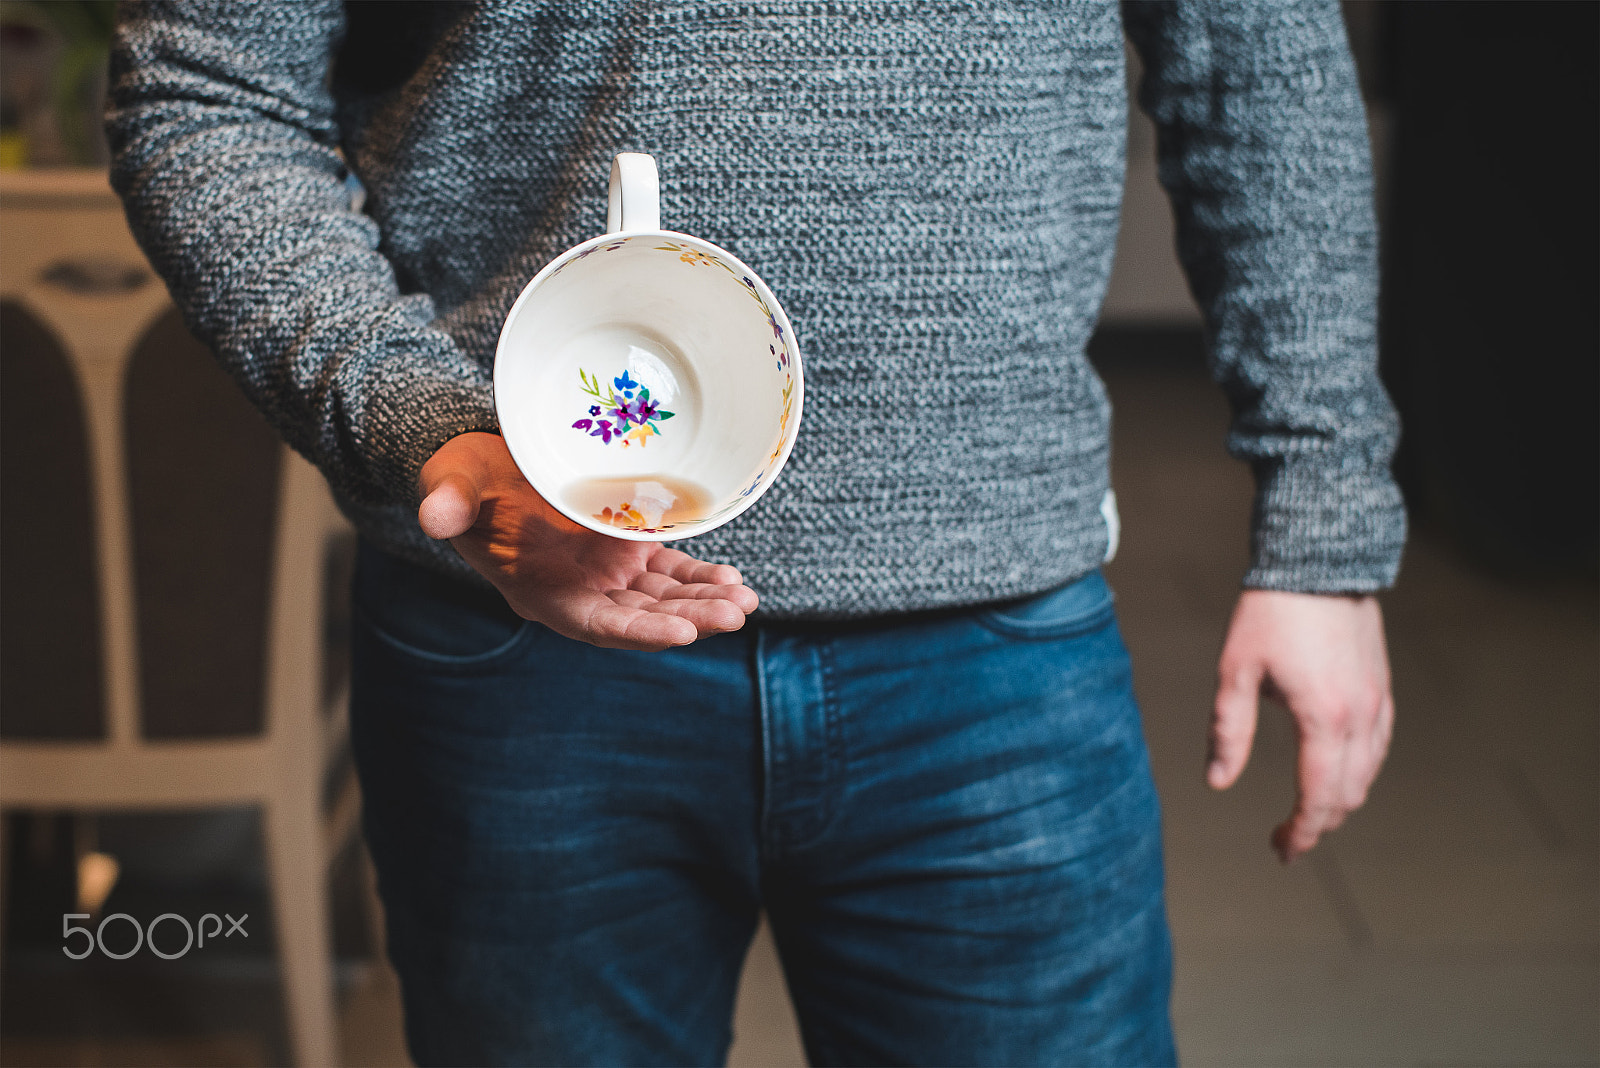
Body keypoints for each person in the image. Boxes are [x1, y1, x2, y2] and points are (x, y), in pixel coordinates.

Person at [107, 1, 1403, 1064]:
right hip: (516, 635)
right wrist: (429, 427)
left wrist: (1323, 516)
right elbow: (208, 83)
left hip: (994, 653)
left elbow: (1259, 63)